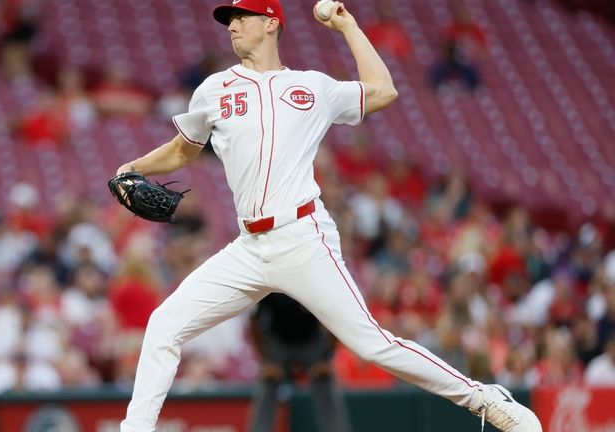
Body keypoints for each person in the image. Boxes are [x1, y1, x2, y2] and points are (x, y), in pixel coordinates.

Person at [112, 1, 542, 431]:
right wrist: (133, 168)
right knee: (164, 324)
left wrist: (348, 26)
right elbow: (183, 149)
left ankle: (484, 399)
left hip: (302, 237)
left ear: (270, 23)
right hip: (248, 247)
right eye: (230, 21)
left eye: (242, 18)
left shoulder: (311, 88)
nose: (233, 27)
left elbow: (383, 90)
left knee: (373, 345)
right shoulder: (214, 89)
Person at [247, 293, 350, 432]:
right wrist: (265, 359)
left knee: (324, 380)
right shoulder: (273, 280)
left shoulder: (313, 279)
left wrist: (327, 356)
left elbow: (336, 317)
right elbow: (253, 320)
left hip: (312, 340)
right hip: (278, 341)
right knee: (268, 381)